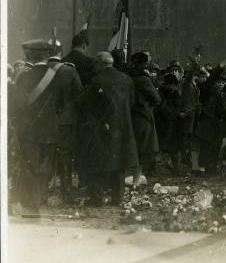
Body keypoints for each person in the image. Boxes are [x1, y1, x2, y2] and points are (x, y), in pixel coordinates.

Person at [77, 52, 139, 206]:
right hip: (123, 127)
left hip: (101, 127)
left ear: (99, 64)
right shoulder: (127, 80)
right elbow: (132, 102)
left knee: (97, 162)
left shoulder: (97, 81)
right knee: (119, 163)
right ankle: (117, 198)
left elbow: (82, 102)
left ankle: (96, 199)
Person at [12, 39, 67, 211]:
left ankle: (32, 202)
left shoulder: (24, 77)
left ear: (29, 55)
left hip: (29, 130)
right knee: (45, 166)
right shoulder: (58, 76)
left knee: (30, 166)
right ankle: (39, 198)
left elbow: (18, 105)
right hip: (50, 129)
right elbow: (61, 103)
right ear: (46, 55)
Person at [48, 40, 83, 201]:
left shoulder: (38, 70)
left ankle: (41, 190)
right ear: (61, 53)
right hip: (66, 120)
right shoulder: (69, 71)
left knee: (44, 153)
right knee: (65, 155)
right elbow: (79, 95)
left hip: (43, 121)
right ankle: (66, 191)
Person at [129, 52, 161, 182]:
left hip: (128, 115)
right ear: (144, 64)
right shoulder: (144, 79)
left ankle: (129, 178)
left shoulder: (127, 76)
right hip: (142, 116)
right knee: (141, 150)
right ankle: (136, 180)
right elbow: (157, 99)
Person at [155, 72, 186, 175]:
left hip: (171, 123)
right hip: (165, 123)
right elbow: (162, 108)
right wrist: (177, 114)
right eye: (172, 85)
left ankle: (175, 169)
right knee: (167, 147)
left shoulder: (171, 93)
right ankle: (159, 168)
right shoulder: (162, 93)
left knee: (172, 147)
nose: (173, 87)